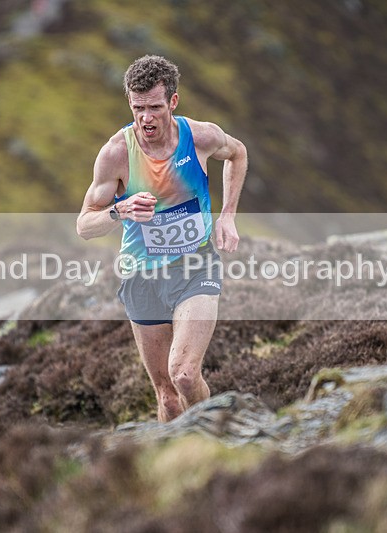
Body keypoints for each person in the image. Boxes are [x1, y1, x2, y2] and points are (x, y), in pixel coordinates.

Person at [77, 55, 247, 422]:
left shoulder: (199, 137)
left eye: (155, 107)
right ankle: (178, 452)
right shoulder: (116, 154)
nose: (146, 118)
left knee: (184, 374)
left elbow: (238, 154)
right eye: (138, 108)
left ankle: (215, 435)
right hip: (142, 276)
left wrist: (228, 215)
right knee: (168, 398)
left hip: (195, 266)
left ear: (173, 101)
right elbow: (84, 224)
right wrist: (119, 210)